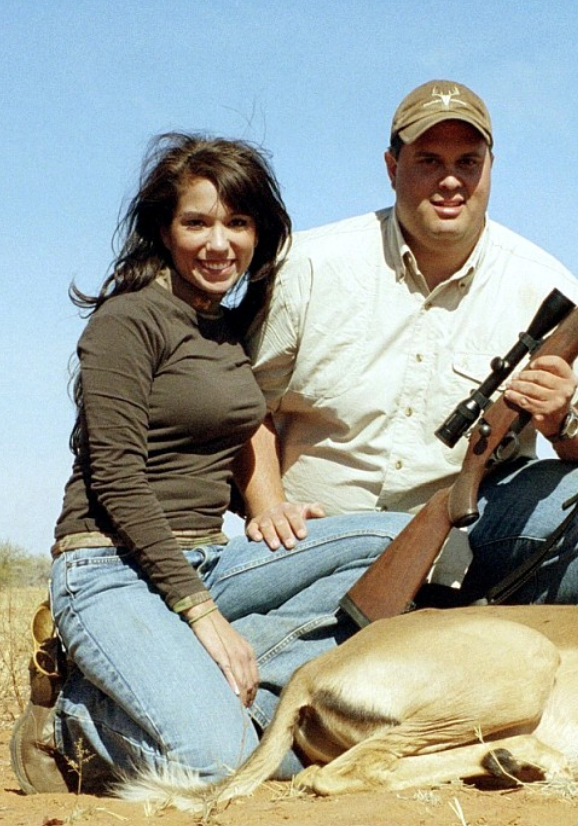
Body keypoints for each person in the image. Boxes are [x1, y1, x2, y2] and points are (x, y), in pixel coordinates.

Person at [11, 133, 406, 795]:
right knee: (224, 764)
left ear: (259, 232)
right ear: (164, 230)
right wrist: (203, 617)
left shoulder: (224, 329)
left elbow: (219, 444)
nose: (218, 243)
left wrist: (269, 507)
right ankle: (71, 722)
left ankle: (209, 684)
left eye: (237, 223)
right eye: (196, 222)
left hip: (207, 560)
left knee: (398, 542)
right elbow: (116, 477)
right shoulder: (126, 321)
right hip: (111, 566)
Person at [242, 80, 578, 607]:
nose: (451, 182)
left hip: (469, 540)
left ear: (490, 166)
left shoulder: (548, 285)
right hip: (317, 538)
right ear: (392, 167)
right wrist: (270, 509)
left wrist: (562, 420)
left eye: (468, 162)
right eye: (429, 161)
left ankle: (534, 659)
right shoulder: (308, 266)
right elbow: (245, 406)